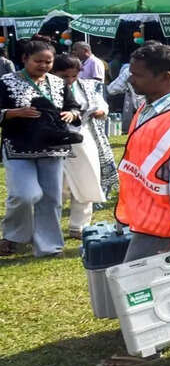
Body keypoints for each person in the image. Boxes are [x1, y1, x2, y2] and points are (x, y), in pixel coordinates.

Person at [96, 44, 170, 366]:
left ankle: (144, 348)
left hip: (164, 220)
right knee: (150, 278)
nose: (131, 80)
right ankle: (158, 332)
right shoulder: (151, 106)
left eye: (139, 75)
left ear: (166, 77)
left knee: (136, 282)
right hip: (147, 215)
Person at [0, 40, 81, 258]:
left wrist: (71, 114)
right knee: (25, 195)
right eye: (38, 61)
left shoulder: (57, 82)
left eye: (48, 61)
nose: (44, 65)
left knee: (51, 199)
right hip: (18, 146)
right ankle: (14, 236)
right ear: (24, 59)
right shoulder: (6, 82)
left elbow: (73, 106)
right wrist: (14, 113)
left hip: (52, 148)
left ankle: (48, 246)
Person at [51, 55, 118, 238]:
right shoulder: (46, 87)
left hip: (83, 137)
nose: (70, 80)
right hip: (54, 138)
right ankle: (49, 225)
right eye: (65, 76)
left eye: (74, 76)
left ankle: (79, 226)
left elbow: (101, 103)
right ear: (53, 72)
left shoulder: (87, 86)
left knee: (87, 177)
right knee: (58, 184)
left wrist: (101, 111)